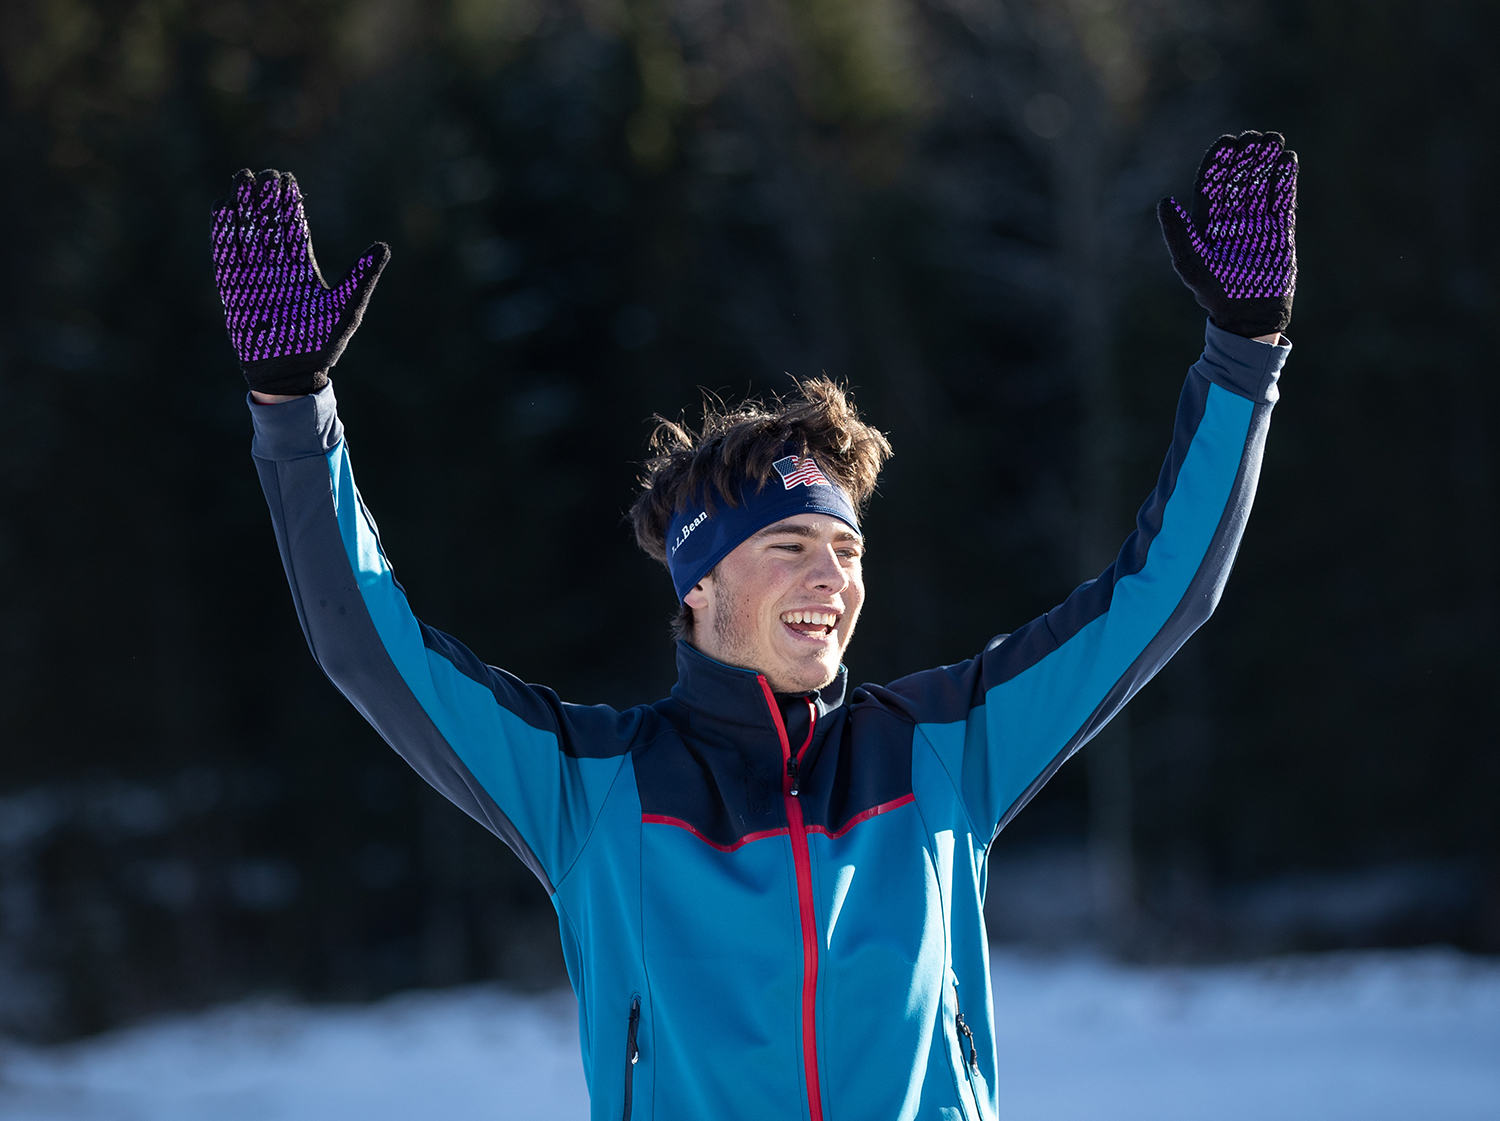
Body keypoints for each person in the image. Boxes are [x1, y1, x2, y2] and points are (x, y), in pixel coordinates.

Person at [212, 130, 1296, 1120]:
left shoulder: (939, 749)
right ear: (696, 587)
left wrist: (1242, 354)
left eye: (848, 549)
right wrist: (294, 412)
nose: (832, 574)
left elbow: (1163, 595)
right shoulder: (593, 787)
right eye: (791, 547)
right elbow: (367, 641)